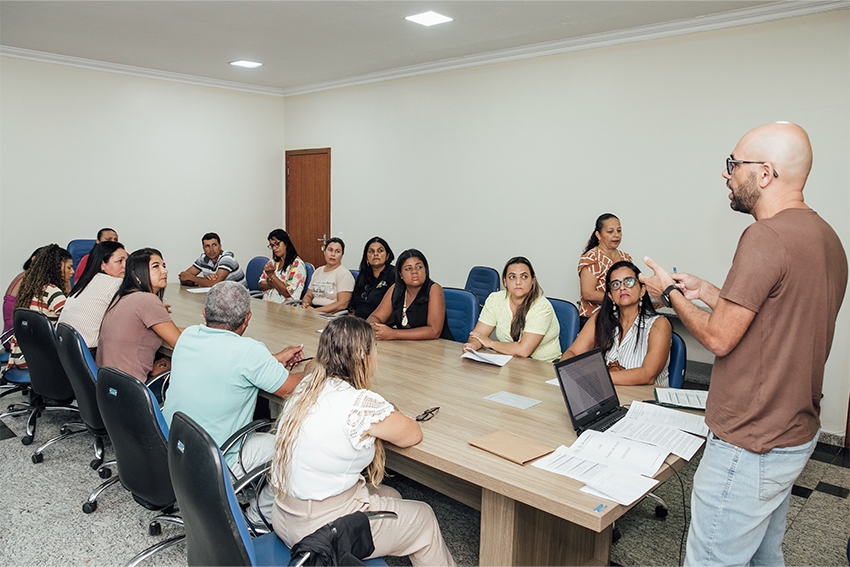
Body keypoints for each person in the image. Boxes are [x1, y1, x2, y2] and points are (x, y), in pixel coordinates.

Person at [640, 122, 847, 566]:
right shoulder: (827, 238)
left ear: (766, 173)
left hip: (749, 443)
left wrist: (670, 292)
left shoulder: (765, 236)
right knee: (763, 557)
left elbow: (719, 337)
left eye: (734, 163)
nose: (726, 173)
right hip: (792, 433)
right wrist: (706, 291)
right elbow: (775, 317)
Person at [269, 316, 456, 566]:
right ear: (364, 357)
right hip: (322, 533)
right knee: (424, 517)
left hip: (283, 515)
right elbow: (412, 434)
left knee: (392, 495)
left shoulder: (305, 389)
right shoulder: (359, 404)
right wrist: (388, 411)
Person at [162, 281, 307, 525]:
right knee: (294, 446)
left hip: (174, 451)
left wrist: (271, 361)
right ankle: (257, 518)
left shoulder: (187, 336)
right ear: (247, 318)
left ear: (204, 313)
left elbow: (223, 360)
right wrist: (315, 367)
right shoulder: (248, 352)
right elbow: (292, 388)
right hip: (215, 463)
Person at [561, 261, 671, 385]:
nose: (622, 288)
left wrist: (593, 377)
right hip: (608, 392)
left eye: (629, 282)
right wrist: (568, 371)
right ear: (611, 296)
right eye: (615, 284)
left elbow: (648, 375)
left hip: (645, 396)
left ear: (642, 290)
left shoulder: (659, 324)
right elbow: (572, 353)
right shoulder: (601, 318)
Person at [97, 248, 182, 399]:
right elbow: (181, 344)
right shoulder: (147, 300)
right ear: (136, 275)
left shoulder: (122, 296)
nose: (165, 271)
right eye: (156, 266)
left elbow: (167, 329)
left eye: (163, 266)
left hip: (110, 390)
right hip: (134, 394)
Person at [463, 257, 561, 361]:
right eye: (512, 277)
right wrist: (473, 345)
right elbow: (478, 335)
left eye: (524, 277)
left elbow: (523, 350)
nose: (518, 282)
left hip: (544, 365)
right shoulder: (495, 299)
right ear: (505, 282)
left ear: (532, 281)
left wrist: (490, 343)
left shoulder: (542, 306)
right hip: (510, 362)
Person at [6, 245, 74, 369]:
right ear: (57, 268)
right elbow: (73, 321)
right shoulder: (52, 292)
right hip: (39, 359)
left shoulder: (31, 289)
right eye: (69, 267)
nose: (73, 272)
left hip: (22, 354)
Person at [366, 249, 453, 341]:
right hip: (405, 345)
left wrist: (393, 334)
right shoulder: (396, 289)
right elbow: (375, 317)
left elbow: (434, 331)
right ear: (400, 274)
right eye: (408, 269)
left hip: (437, 346)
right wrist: (373, 328)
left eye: (419, 267)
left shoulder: (434, 289)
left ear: (425, 270)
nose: (414, 271)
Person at [58, 241, 128, 351]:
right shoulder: (116, 283)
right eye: (119, 261)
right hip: (87, 351)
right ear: (103, 264)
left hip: (63, 347)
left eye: (127, 261)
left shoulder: (86, 281)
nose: (125, 266)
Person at [577, 213, 632, 323]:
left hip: (621, 318)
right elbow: (588, 293)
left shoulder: (625, 258)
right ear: (598, 235)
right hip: (593, 319)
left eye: (619, 231)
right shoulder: (591, 258)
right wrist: (618, 297)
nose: (616, 235)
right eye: (610, 232)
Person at [3, 246, 45, 348]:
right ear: (33, 259)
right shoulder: (30, 279)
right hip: (15, 339)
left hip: (7, 336)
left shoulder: (22, 275)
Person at [301, 237, 355, 313]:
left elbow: (342, 304)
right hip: (313, 310)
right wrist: (305, 304)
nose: (333, 254)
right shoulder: (318, 271)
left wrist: (316, 311)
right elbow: (308, 296)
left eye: (337, 251)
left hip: (331, 314)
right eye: (330, 250)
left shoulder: (344, 274)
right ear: (324, 252)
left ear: (342, 255)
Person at [349, 237, 396, 320]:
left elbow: (395, 311)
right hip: (358, 322)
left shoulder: (394, 274)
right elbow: (353, 305)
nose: (375, 254)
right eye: (371, 251)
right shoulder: (364, 274)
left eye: (380, 251)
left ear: (387, 255)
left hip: (380, 323)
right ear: (366, 257)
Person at [178, 232, 246, 287]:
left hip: (239, 297)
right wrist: (205, 280)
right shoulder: (203, 259)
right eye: (207, 246)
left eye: (214, 245)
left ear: (220, 246)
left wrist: (192, 278)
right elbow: (183, 277)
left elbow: (216, 284)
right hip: (221, 295)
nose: (211, 249)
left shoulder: (227, 259)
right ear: (203, 249)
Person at [259, 229, 308, 303]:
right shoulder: (273, 261)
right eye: (272, 245)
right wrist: (274, 284)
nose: (274, 248)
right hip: (267, 304)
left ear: (286, 243)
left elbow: (287, 292)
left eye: (277, 244)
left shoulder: (297, 264)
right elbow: (261, 284)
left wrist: (272, 276)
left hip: (285, 306)